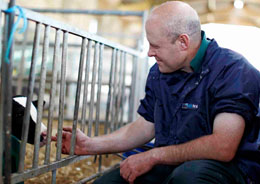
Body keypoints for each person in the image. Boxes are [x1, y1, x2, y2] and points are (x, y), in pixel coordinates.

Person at [52, 1, 260, 184]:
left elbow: (223, 147)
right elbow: (144, 126)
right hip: (172, 162)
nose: (150, 53)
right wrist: (90, 145)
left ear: (183, 42)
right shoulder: (160, 72)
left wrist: (154, 156)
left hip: (227, 169)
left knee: (188, 177)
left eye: (155, 45)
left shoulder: (233, 71)